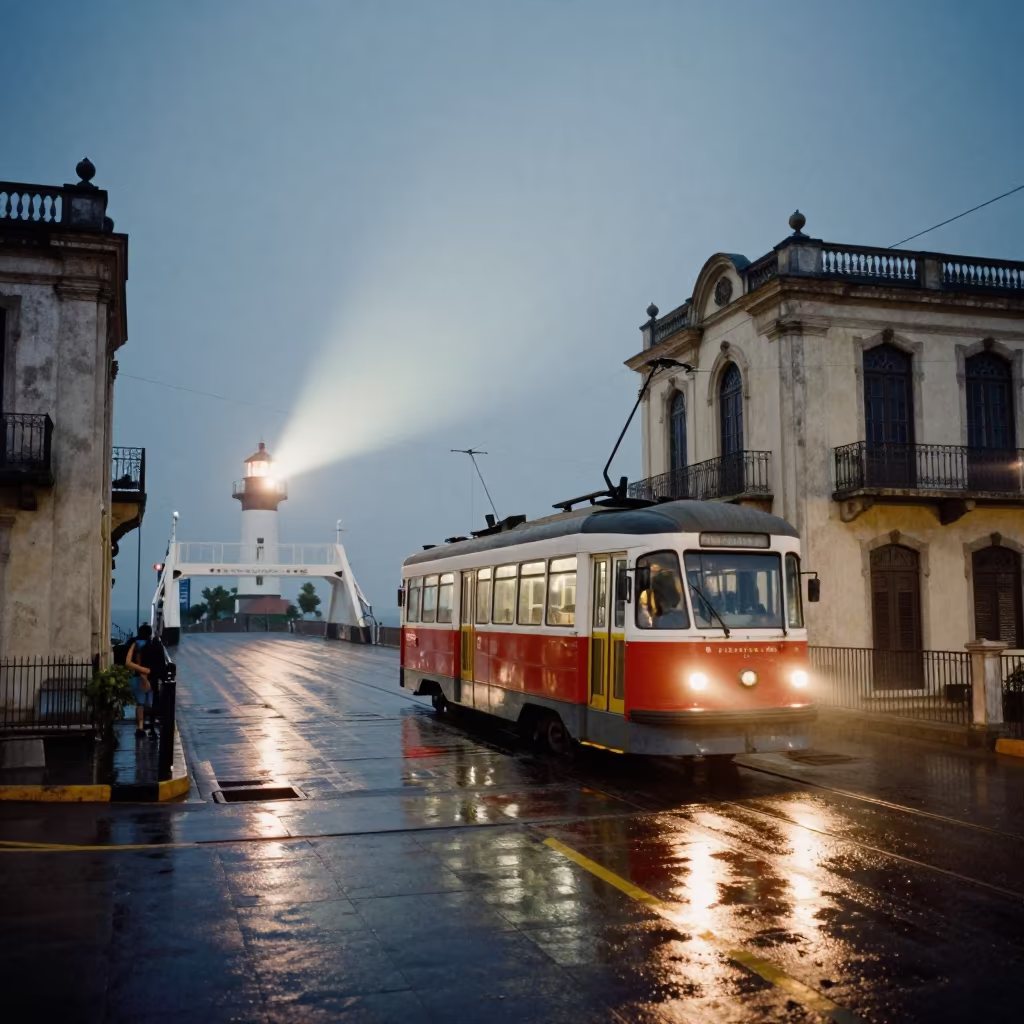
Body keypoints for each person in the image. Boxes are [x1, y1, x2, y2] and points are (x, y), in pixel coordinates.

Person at [125, 623, 165, 739]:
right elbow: (157, 663)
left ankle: (140, 727)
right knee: (150, 703)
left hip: (136, 678)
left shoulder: (134, 644)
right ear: (149, 633)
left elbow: (129, 661)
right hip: (150, 678)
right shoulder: (153, 644)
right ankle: (151, 727)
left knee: (140, 704)